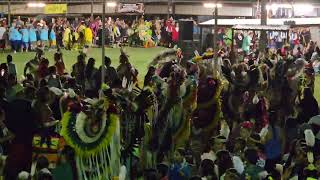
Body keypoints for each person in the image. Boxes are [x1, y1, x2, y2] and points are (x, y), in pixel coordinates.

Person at [4, 86, 37, 180]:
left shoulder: (9, 106)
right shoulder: (28, 105)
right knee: (25, 165)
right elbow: (33, 123)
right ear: (21, 93)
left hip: (14, 140)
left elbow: (8, 122)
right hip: (26, 140)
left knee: (15, 165)